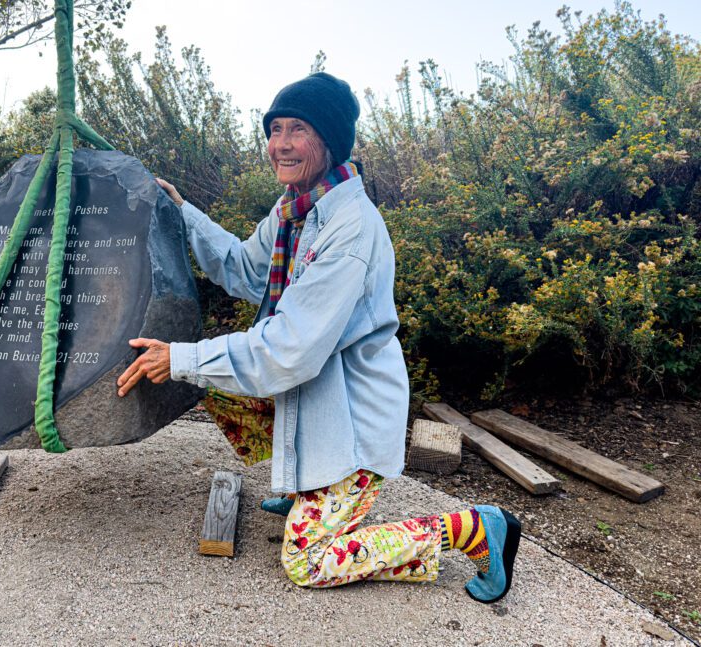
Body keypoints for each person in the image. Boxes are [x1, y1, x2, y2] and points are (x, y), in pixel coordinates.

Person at [116, 72, 520, 602]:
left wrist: (182, 357)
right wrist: (183, 212)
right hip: (314, 393)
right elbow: (242, 267)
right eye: (275, 128)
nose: (281, 143)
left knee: (307, 561)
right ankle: (305, 486)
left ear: (328, 142)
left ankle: (472, 529)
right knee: (215, 382)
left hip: (350, 421)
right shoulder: (296, 211)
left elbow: (289, 349)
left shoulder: (349, 227)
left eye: (297, 129)